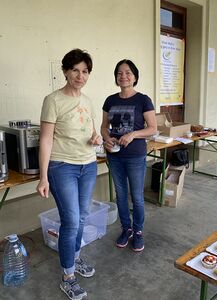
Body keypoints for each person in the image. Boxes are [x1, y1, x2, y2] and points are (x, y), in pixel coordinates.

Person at [36, 49, 101, 300]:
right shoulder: (52, 100)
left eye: (85, 71)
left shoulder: (88, 101)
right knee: (71, 221)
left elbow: (92, 134)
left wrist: (96, 138)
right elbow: (45, 140)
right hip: (62, 167)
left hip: (89, 165)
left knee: (83, 217)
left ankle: (74, 259)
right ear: (65, 71)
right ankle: (68, 277)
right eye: (75, 70)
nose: (80, 75)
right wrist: (43, 177)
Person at [101, 59, 157, 252]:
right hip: (115, 156)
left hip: (135, 156)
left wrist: (133, 133)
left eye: (128, 73)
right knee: (121, 195)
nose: (123, 76)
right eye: (119, 73)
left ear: (134, 77)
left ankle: (138, 231)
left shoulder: (143, 100)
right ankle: (127, 229)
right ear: (116, 77)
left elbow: (152, 128)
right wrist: (107, 139)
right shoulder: (110, 100)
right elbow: (103, 127)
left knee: (137, 196)